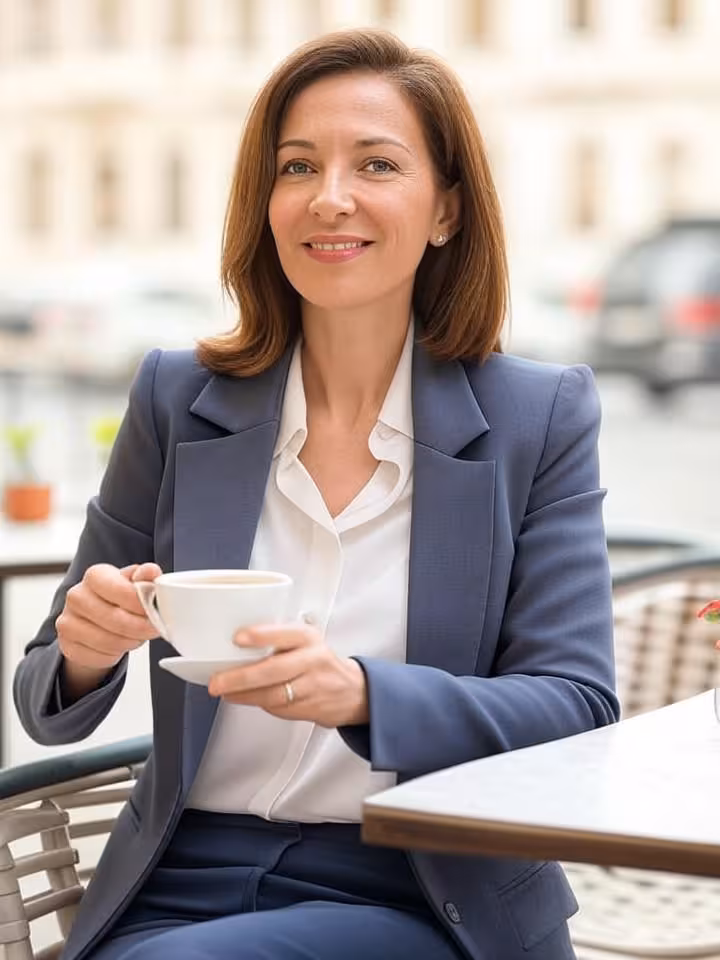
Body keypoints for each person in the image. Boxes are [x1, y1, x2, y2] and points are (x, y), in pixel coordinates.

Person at [14, 28, 619, 960]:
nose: (329, 198)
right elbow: (46, 694)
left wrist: (365, 696)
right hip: (176, 877)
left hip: (420, 889)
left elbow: (575, 705)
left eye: (376, 163)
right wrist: (87, 650)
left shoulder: (538, 416)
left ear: (446, 210)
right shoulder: (176, 398)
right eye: (298, 166)